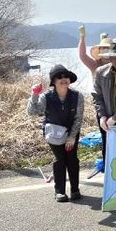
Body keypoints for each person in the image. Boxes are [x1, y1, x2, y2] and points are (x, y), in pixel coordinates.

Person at [27, 65, 84, 202]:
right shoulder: (46, 97)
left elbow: (78, 118)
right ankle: (59, 192)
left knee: (72, 159)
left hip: (71, 132)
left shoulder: (77, 96)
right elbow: (32, 112)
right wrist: (34, 95)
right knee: (60, 160)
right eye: (59, 77)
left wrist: (71, 137)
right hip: (53, 133)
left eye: (66, 76)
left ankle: (75, 190)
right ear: (53, 81)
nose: (63, 79)